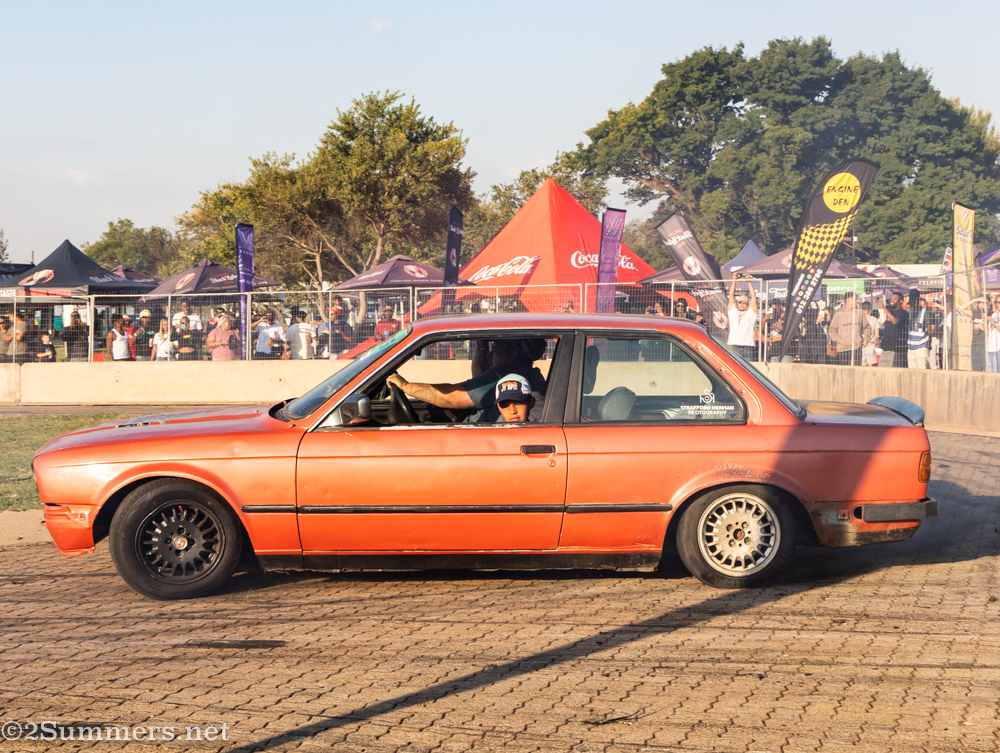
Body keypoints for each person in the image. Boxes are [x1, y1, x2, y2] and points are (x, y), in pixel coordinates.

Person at [386, 337, 547, 424]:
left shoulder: (505, 374)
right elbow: (480, 376)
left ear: (512, 354)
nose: (491, 356)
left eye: (496, 350)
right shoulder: (527, 374)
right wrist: (481, 345)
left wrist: (406, 386)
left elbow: (454, 398)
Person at [829, 293, 872, 366]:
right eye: (855, 299)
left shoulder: (859, 313)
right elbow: (832, 330)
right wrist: (839, 340)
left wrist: (866, 339)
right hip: (843, 348)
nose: (857, 301)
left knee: (857, 370)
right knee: (844, 371)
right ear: (848, 299)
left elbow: (867, 327)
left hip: (856, 347)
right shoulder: (839, 313)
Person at [727, 276, 758, 360]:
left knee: (748, 367)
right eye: (740, 302)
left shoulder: (751, 313)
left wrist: (749, 282)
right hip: (734, 344)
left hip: (748, 345)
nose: (742, 304)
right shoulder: (733, 312)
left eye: (744, 303)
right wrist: (734, 281)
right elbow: (730, 296)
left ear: (747, 304)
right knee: (734, 367)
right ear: (737, 303)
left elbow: (754, 298)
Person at [877, 292, 908, 367]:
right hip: (885, 348)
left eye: (894, 299)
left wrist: (884, 308)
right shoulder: (889, 311)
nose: (891, 300)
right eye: (891, 298)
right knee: (881, 372)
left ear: (901, 301)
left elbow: (894, 321)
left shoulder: (903, 312)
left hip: (896, 349)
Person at [906, 292, 931, 369]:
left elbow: (929, 330)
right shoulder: (911, 312)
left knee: (921, 370)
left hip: (921, 347)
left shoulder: (925, 312)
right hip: (911, 347)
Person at [987, 297, 1000, 374]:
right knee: (992, 373)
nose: (998, 304)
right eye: (996, 302)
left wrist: (994, 323)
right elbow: (989, 331)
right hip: (990, 347)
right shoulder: (994, 314)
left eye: (999, 302)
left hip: (998, 347)